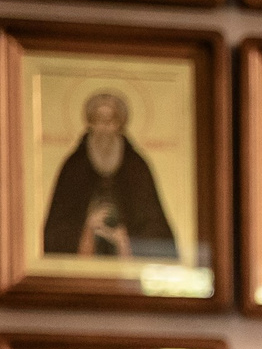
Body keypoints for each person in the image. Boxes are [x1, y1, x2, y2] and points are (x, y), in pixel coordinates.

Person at [41, 90, 178, 261]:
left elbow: (156, 228)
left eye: (111, 120)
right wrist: (86, 225)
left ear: (119, 124)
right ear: (90, 123)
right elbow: (56, 229)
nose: (105, 126)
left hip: (127, 264)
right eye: (98, 119)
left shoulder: (136, 166)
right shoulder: (74, 166)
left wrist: (127, 238)